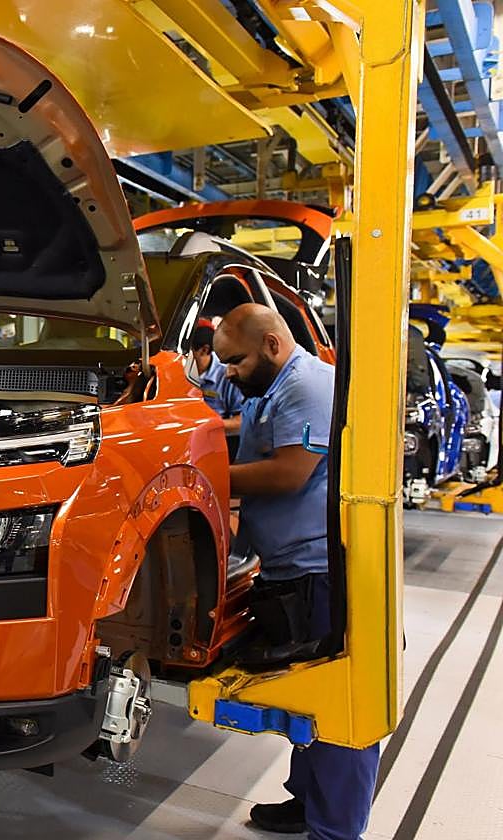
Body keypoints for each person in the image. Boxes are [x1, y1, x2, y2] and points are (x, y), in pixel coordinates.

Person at [213, 304, 379, 840]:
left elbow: (288, 473)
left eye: (234, 361)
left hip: (321, 571)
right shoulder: (271, 388)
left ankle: (335, 830)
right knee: (307, 698)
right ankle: (307, 803)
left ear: (271, 344)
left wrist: (203, 478)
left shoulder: (307, 385)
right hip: (290, 568)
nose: (229, 375)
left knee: (338, 703)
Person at [190, 319, 244, 433]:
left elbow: (242, 421)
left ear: (204, 350)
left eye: (188, 352)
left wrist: (207, 426)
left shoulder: (228, 375)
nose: (181, 356)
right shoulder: (179, 370)